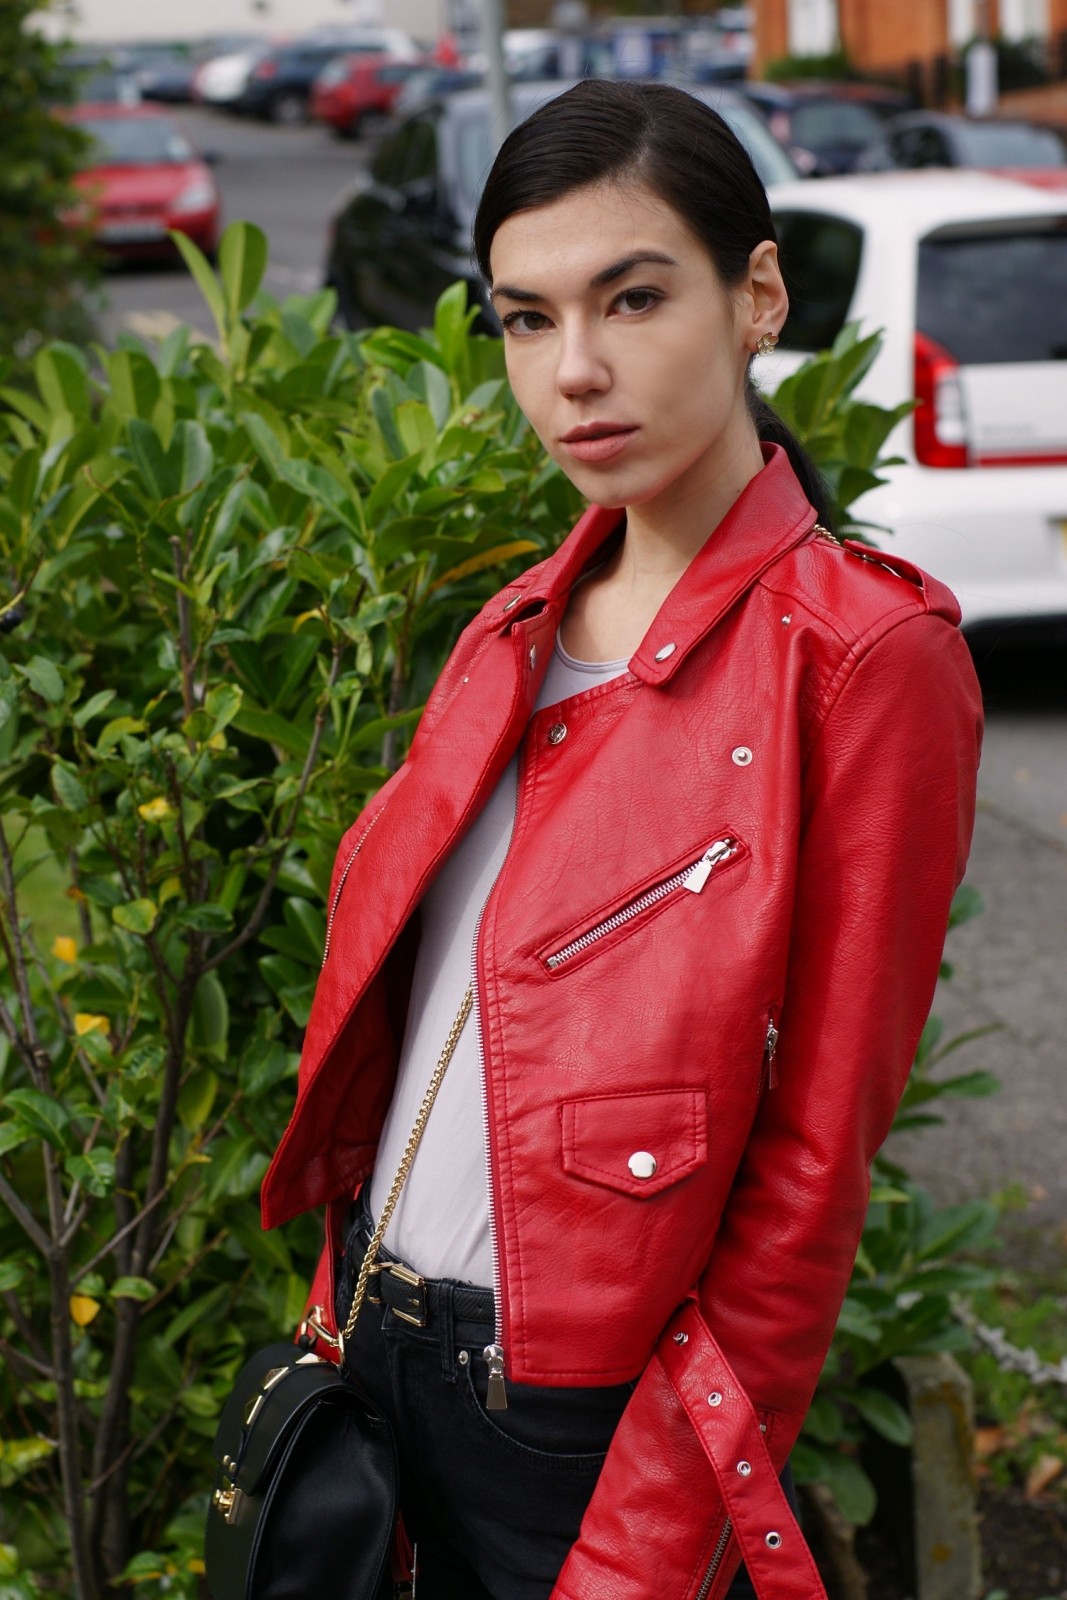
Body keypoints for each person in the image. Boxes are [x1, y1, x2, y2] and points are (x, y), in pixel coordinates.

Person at [261, 78, 983, 1600]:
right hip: (377, 1360)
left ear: (757, 296)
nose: (575, 370)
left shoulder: (862, 659)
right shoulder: (511, 629)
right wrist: (337, 1322)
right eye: (526, 318)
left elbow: (810, 1180)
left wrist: (651, 1545)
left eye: (632, 297)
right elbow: (419, 1043)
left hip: (580, 1424)